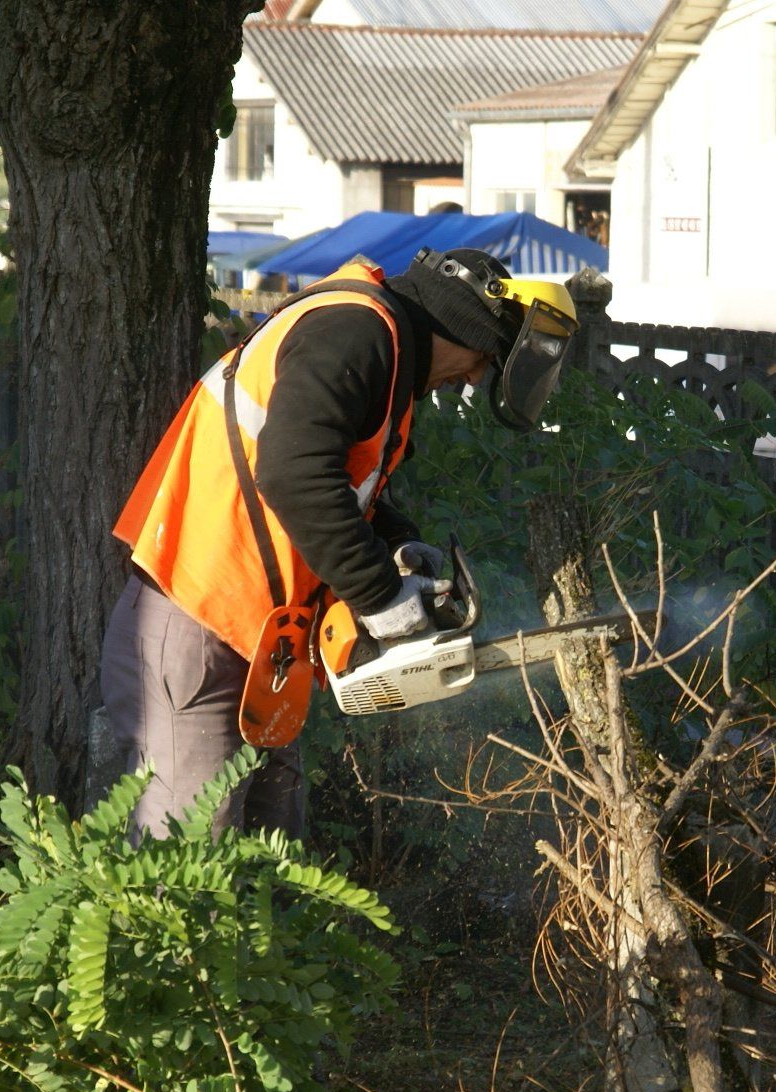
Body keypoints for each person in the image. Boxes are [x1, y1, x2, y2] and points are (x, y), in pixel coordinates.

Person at [102, 248, 579, 838]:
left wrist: (397, 547)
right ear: (458, 326)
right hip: (199, 623)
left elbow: (339, 485)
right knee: (185, 867)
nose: (477, 377)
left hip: (258, 642)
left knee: (268, 855)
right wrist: (379, 594)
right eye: (484, 358)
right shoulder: (355, 331)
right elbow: (293, 475)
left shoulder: (384, 350)